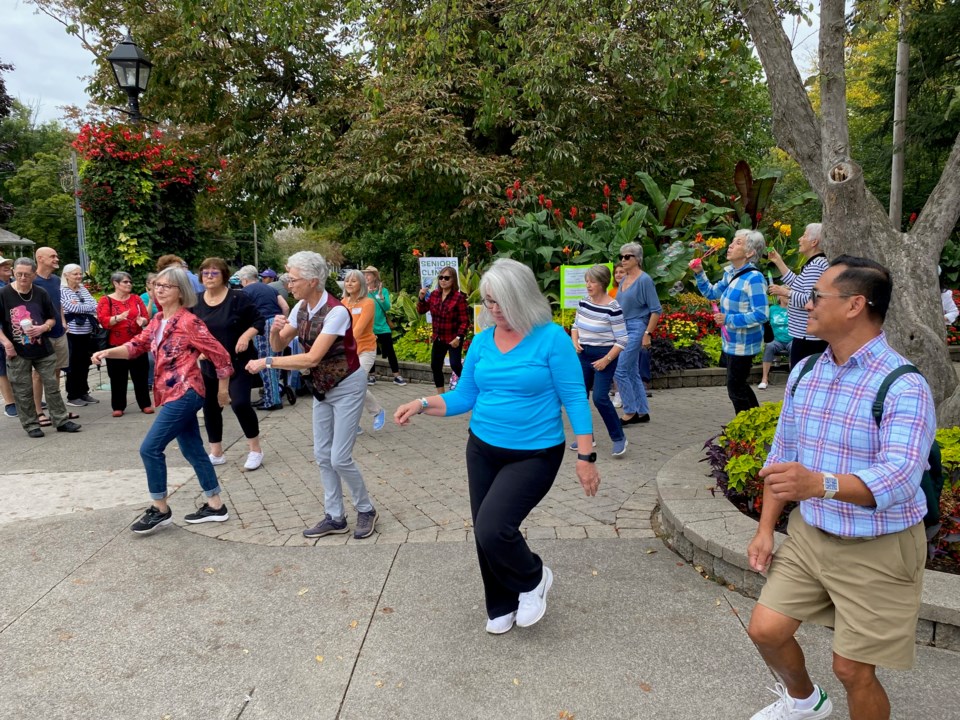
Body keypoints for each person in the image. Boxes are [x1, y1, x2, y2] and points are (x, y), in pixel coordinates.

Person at [746, 256, 935, 720]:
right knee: (766, 630)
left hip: (880, 546)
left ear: (855, 305)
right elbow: (782, 458)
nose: (804, 303)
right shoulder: (808, 372)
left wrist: (820, 484)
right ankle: (805, 701)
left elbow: (900, 477)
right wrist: (766, 529)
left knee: (852, 670)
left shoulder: (903, 384)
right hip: (812, 537)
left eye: (816, 297)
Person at [394, 258, 599, 634]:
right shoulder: (483, 341)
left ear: (523, 296)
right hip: (483, 448)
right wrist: (422, 404)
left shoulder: (552, 337)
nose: (494, 310)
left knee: (494, 528)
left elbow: (574, 399)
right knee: (482, 530)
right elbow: (464, 396)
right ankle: (501, 604)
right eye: (489, 302)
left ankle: (534, 578)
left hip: (535, 452)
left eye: (501, 301)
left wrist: (585, 456)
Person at [245, 251, 379, 540]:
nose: (287, 284)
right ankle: (335, 517)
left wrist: (266, 362)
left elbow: (311, 359)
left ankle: (366, 509)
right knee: (322, 455)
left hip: (346, 384)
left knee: (339, 457)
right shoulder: (299, 308)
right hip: (322, 387)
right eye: (287, 278)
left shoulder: (336, 311)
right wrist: (275, 333)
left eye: (292, 279)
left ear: (313, 280)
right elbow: (280, 345)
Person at [92, 266, 235, 534]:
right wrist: (107, 352)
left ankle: (160, 510)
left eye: (166, 286)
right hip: (169, 395)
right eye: (157, 284)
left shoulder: (189, 322)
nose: (159, 289)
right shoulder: (158, 319)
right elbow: (135, 346)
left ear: (181, 292)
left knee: (149, 449)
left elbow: (221, 356)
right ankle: (216, 506)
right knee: (193, 450)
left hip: (186, 392)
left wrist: (223, 389)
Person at [193, 257, 265, 471]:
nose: (209, 277)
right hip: (210, 364)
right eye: (205, 273)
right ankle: (216, 452)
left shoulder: (238, 298)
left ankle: (255, 449)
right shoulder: (196, 302)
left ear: (224, 275)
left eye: (214, 273)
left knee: (240, 403)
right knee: (210, 408)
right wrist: (198, 350)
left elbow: (259, 321)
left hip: (238, 361)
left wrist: (246, 335)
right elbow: (190, 331)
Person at [0, 257, 81, 437]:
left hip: (43, 347)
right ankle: (31, 425)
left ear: (34, 275)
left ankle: (60, 420)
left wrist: (43, 327)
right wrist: (6, 343)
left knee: (52, 385)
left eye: (27, 275)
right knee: (23, 390)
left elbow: (52, 318)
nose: (22, 278)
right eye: (19, 274)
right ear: (13, 272)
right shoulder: (4, 294)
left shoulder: (40, 292)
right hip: (17, 350)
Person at [691, 229, 768, 415]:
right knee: (738, 386)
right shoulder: (731, 273)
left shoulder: (754, 278)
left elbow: (761, 314)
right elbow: (711, 293)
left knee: (735, 388)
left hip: (745, 344)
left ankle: (746, 430)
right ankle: (754, 424)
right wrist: (699, 273)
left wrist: (728, 319)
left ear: (750, 253)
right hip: (731, 342)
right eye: (732, 241)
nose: (731, 245)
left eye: (738, 243)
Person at [571, 264, 629, 456]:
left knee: (600, 398)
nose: (588, 285)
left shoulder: (613, 307)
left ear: (603, 283)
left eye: (592, 281)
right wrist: (575, 342)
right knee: (579, 398)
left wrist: (606, 359)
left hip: (605, 355)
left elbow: (622, 340)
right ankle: (587, 438)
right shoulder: (583, 302)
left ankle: (619, 438)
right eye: (587, 281)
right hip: (583, 355)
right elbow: (575, 325)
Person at [767, 223, 829, 368]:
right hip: (804, 335)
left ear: (814, 242)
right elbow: (798, 285)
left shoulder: (817, 266)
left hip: (808, 338)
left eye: (804, 236)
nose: (800, 239)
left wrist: (784, 292)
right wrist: (778, 261)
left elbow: (811, 299)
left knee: (801, 378)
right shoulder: (814, 264)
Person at [614, 243, 660, 425]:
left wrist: (647, 333)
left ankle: (630, 411)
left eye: (627, 256)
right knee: (632, 371)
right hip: (623, 328)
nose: (623, 260)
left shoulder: (644, 280)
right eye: (622, 256)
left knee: (620, 370)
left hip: (636, 327)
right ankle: (642, 411)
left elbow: (656, 310)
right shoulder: (624, 280)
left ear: (637, 259)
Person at [97, 271, 152, 416]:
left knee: (140, 375)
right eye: (125, 282)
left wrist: (143, 321)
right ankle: (118, 406)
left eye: (130, 282)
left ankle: (145, 404)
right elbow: (103, 321)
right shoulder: (105, 300)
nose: (129, 284)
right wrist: (118, 318)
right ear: (115, 283)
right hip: (115, 344)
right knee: (117, 376)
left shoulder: (136, 298)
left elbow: (146, 317)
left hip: (137, 344)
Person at [238, 264, 289, 410]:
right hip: (278, 322)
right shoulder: (270, 288)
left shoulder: (245, 291)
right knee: (276, 361)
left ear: (245, 280)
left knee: (265, 363)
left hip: (263, 325)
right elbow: (285, 307)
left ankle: (272, 400)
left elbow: (243, 314)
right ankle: (272, 395)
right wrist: (283, 323)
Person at [341, 269, 386, 431]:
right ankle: (356, 424)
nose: (349, 284)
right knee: (350, 386)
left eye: (353, 281)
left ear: (361, 283)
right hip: (348, 350)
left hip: (365, 349)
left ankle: (377, 412)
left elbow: (358, 330)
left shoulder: (368, 303)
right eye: (347, 281)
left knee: (356, 383)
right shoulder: (343, 302)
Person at [417, 266, 470, 393]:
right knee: (435, 366)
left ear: (453, 280)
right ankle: (441, 395)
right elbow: (422, 310)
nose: (443, 280)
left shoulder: (459, 297)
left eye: (447, 278)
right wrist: (421, 298)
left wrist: (459, 337)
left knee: (455, 365)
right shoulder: (435, 295)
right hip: (439, 337)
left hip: (453, 338)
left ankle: (470, 388)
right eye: (441, 277)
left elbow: (465, 321)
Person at [32, 246, 69, 420]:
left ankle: (57, 410)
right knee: (38, 374)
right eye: (52, 256)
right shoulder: (32, 280)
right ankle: (38, 411)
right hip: (41, 334)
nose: (56, 259)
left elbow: (58, 302)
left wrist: (62, 320)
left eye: (56, 255)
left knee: (56, 371)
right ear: (40, 258)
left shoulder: (55, 280)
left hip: (59, 332)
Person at [60, 263, 100, 406]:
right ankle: (73, 395)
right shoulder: (63, 290)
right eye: (75, 274)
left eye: (80, 273)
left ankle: (83, 392)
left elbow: (95, 305)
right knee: (73, 363)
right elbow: (71, 307)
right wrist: (83, 308)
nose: (79, 276)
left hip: (86, 331)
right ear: (66, 275)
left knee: (85, 362)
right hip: (72, 332)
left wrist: (80, 308)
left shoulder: (83, 289)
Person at [364, 265, 406, 385]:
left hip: (382, 326)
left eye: (369, 274)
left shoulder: (384, 290)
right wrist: (365, 293)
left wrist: (381, 296)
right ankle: (372, 376)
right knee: (370, 351)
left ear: (374, 276)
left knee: (390, 351)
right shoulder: (362, 291)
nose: (366, 276)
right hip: (368, 328)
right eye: (365, 274)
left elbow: (387, 307)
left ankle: (397, 376)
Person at [757, 295, 792, 390]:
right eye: (785, 295)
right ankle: (764, 379)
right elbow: (764, 320)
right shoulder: (773, 309)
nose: (788, 296)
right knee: (769, 346)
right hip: (777, 340)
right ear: (779, 297)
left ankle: (792, 380)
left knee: (794, 347)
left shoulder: (795, 309)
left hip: (791, 339)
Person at [0, 256, 17, 417]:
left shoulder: (11, 283)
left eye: (7, 264)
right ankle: (10, 403)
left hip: (15, 332)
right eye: (2, 265)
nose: (6, 266)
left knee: (19, 367)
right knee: (3, 370)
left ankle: (21, 399)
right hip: (2, 334)